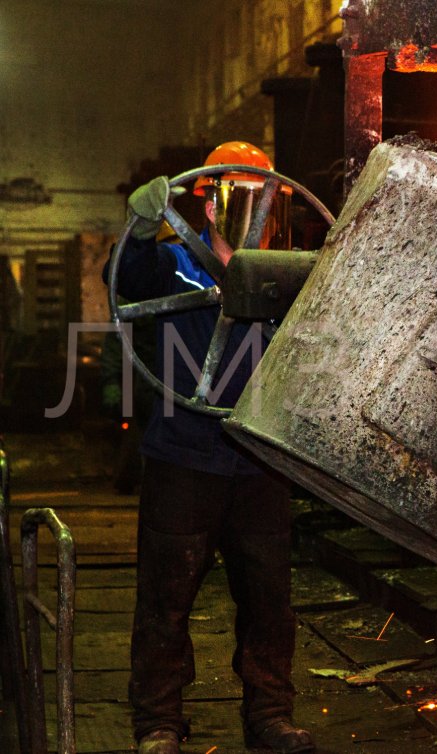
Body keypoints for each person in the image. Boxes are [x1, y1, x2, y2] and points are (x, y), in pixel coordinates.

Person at [105, 142, 313, 754]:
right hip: (183, 454)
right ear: (208, 203)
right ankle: (159, 723)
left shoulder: (288, 274)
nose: (246, 207)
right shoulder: (171, 264)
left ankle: (270, 716)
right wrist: (140, 230)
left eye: (256, 194)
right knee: (166, 600)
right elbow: (120, 275)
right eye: (233, 194)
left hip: (258, 457)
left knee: (269, 599)